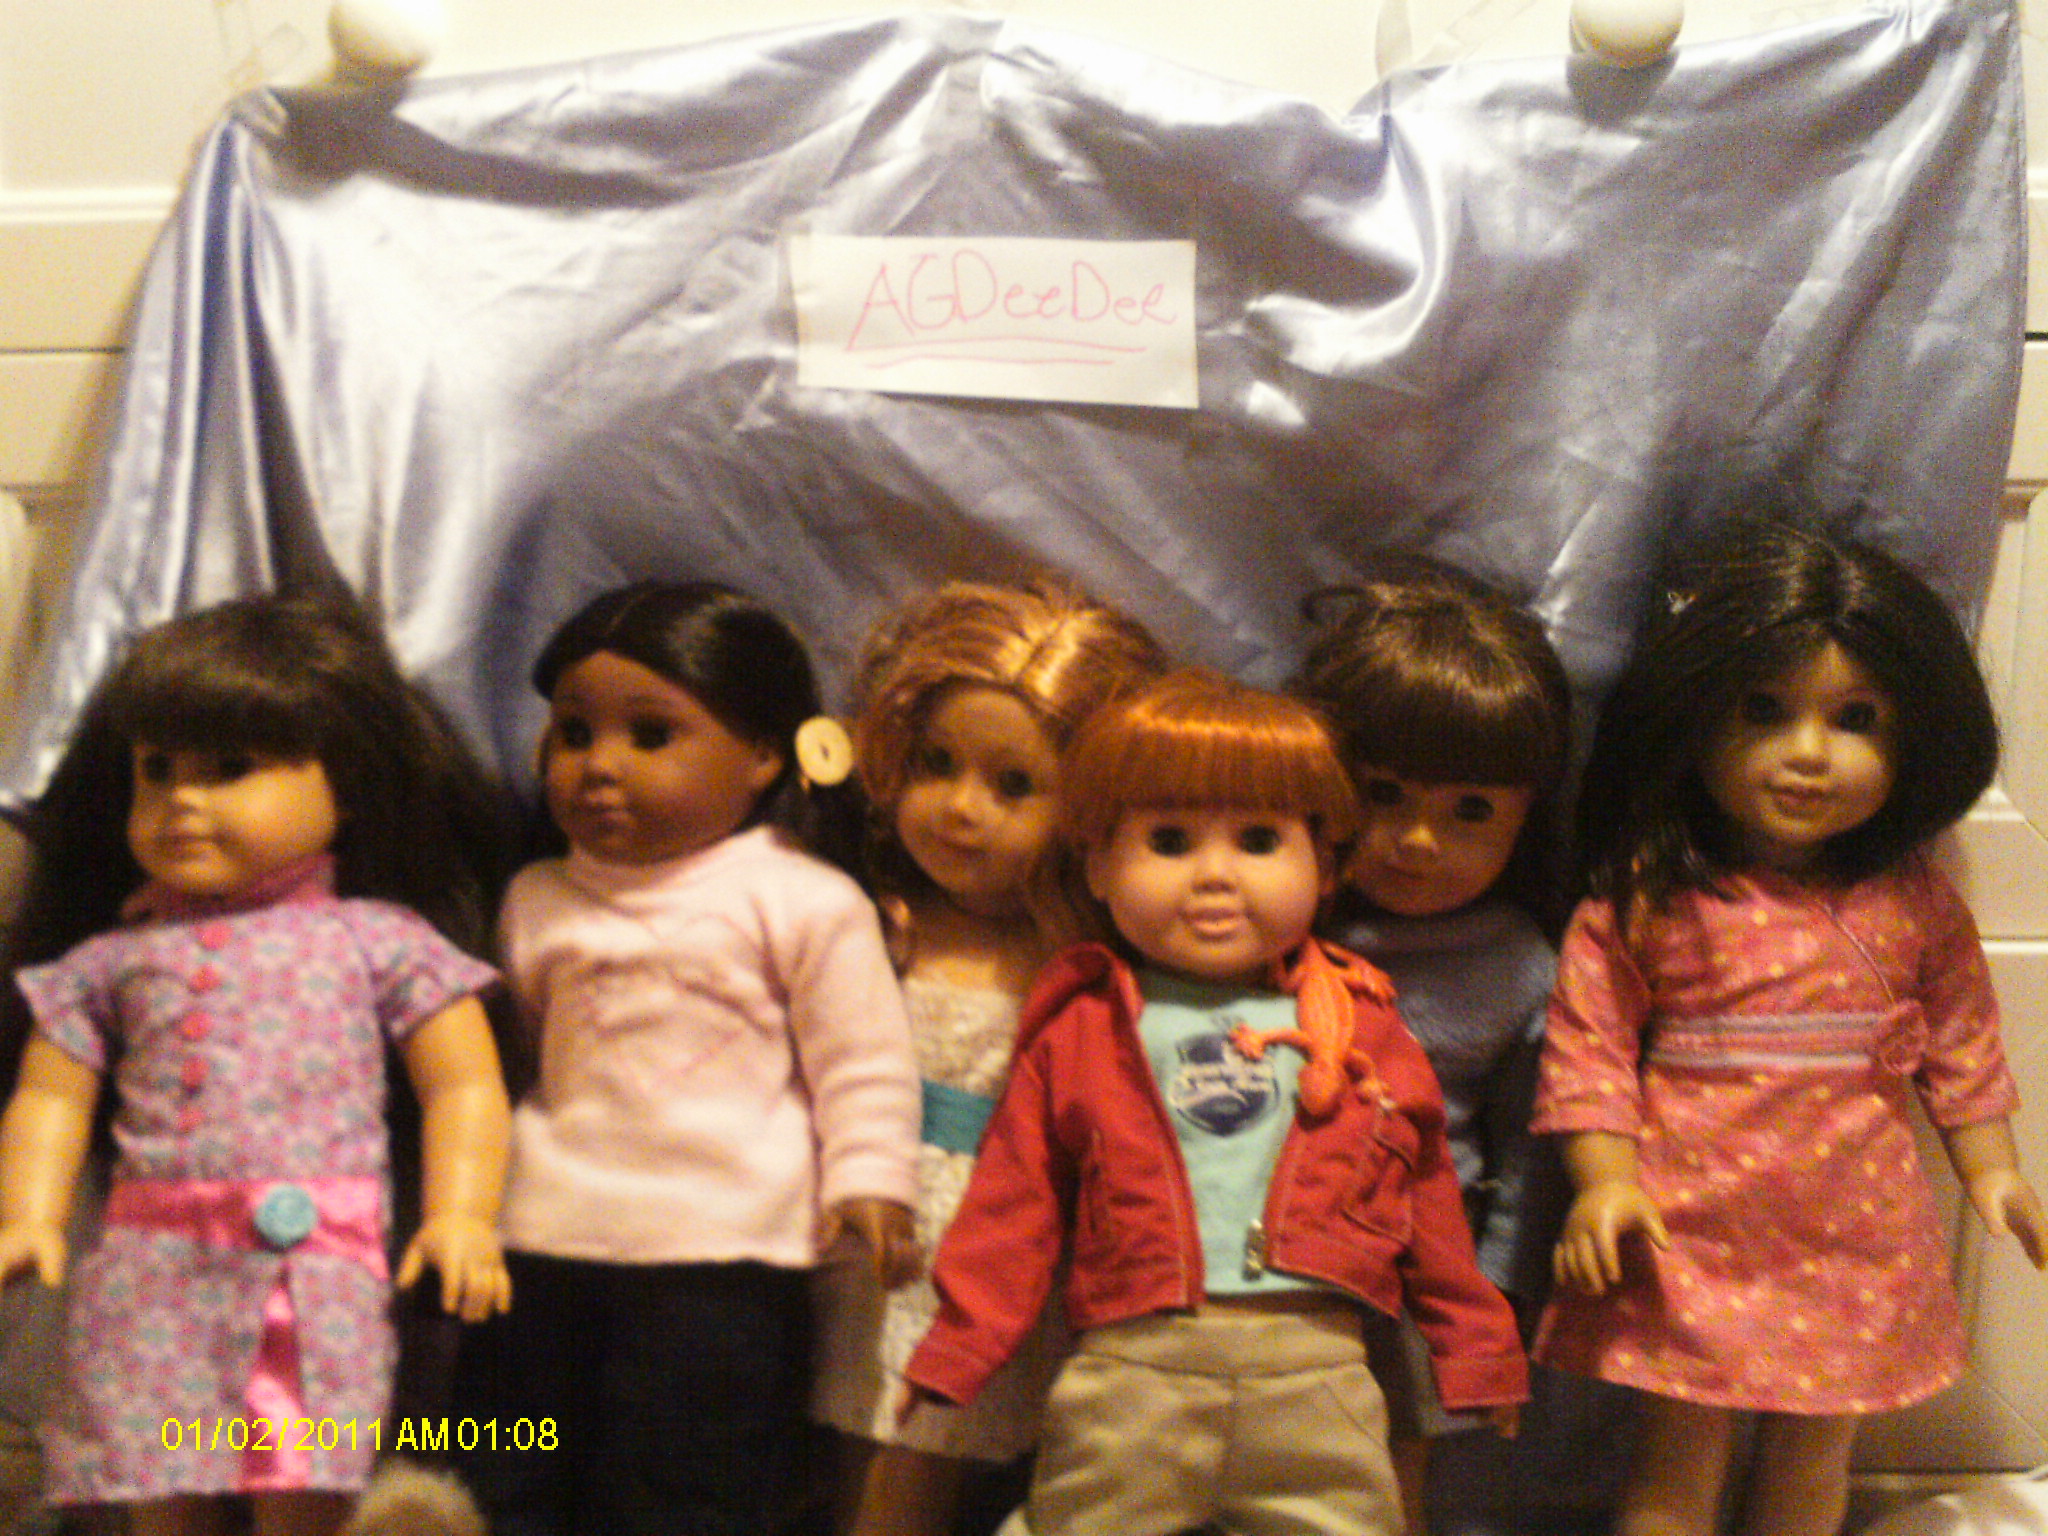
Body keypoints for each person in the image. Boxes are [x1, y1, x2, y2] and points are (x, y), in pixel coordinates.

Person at [904, 668, 1528, 1536]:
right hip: (1131, 1373)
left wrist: (1478, 1348)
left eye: (1259, 841)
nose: (1214, 877)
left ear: (1324, 864)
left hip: (1320, 1370)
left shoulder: (1360, 1023)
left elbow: (1427, 1199)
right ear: (1097, 863)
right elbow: (1014, 1199)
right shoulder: (1085, 1023)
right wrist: (962, 1343)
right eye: (1169, 841)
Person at [1533, 517, 2048, 1536]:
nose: (1806, 755)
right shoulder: (1651, 894)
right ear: (1693, 720)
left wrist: (1992, 1169)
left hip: (1854, 1227)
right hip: (1688, 1226)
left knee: (1815, 1454)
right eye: (1762, 712)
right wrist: (1603, 1181)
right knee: (1678, 1455)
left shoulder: (1912, 902)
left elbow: (1962, 1043)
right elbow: (1589, 1048)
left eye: (1855, 720)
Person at [0, 590, 513, 1536]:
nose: (182, 801)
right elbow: (48, 1099)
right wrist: (28, 1215)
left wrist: (463, 1216)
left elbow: (463, 1087)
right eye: (156, 771)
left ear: (345, 785)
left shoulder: (379, 941)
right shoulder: (109, 962)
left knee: (302, 1488)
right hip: (152, 1272)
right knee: (162, 1489)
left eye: (230, 769)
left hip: (311, 1270)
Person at [456, 580, 920, 1536]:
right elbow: (519, 1056)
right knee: (503, 1451)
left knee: (688, 1478)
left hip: (721, 1255)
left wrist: (872, 1179)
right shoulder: (536, 895)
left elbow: (862, 1060)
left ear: (761, 755)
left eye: (651, 735)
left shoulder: (802, 898)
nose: (599, 765)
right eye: (573, 733)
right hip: (540, 1234)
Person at [810, 580, 1164, 1536]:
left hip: (982, 1242)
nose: (961, 809)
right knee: (840, 1429)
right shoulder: (869, 920)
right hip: (852, 1214)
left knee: (916, 1444)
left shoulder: (1076, 960)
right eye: (937, 764)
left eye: (1014, 786)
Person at [1296, 555, 1601, 1534]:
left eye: (1469, 810)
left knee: (1402, 1468)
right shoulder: (1279, 926)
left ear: (1525, 817)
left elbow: (1526, 1148)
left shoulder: (1519, 965)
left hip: (1427, 1265)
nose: (1419, 841)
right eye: (1384, 794)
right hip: (1269, 1262)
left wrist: (1496, 1288)